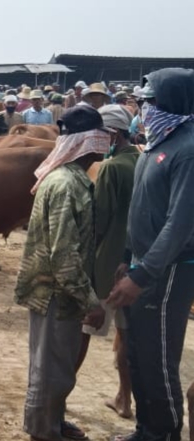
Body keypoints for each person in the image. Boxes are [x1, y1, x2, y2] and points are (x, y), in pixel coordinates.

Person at [107, 68, 194, 441]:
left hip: (170, 268)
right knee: (138, 357)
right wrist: (127, 257)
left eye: (150, 101)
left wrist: (142, 276)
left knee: (158, 358)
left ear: (171, 102)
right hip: (142, 263)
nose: (143, 107)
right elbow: (138, 208)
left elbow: (180, 223)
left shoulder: (187, 150)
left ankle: (165, 433)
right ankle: (146, 429)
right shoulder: (156, 144)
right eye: (142, 101)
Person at [15, 106, 110, 441]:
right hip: (55, 292)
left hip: (62, 292)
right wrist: (91, 301)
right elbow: (64, 253)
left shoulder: (72, 179)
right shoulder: (66, 184)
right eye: (100, 138)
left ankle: (53, 422)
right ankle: (43, 432)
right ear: (89, 142)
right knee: (49, 371)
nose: (104, 145)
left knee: (58, 367)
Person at [76, 104, 138, 421]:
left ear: (112, 133)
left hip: (107, 265)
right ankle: (124, 399)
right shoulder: (142, 161)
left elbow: (98, 221)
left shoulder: (112, 168)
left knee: (84, 330)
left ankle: (60, 395)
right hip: (135, 265)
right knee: (126, 337)